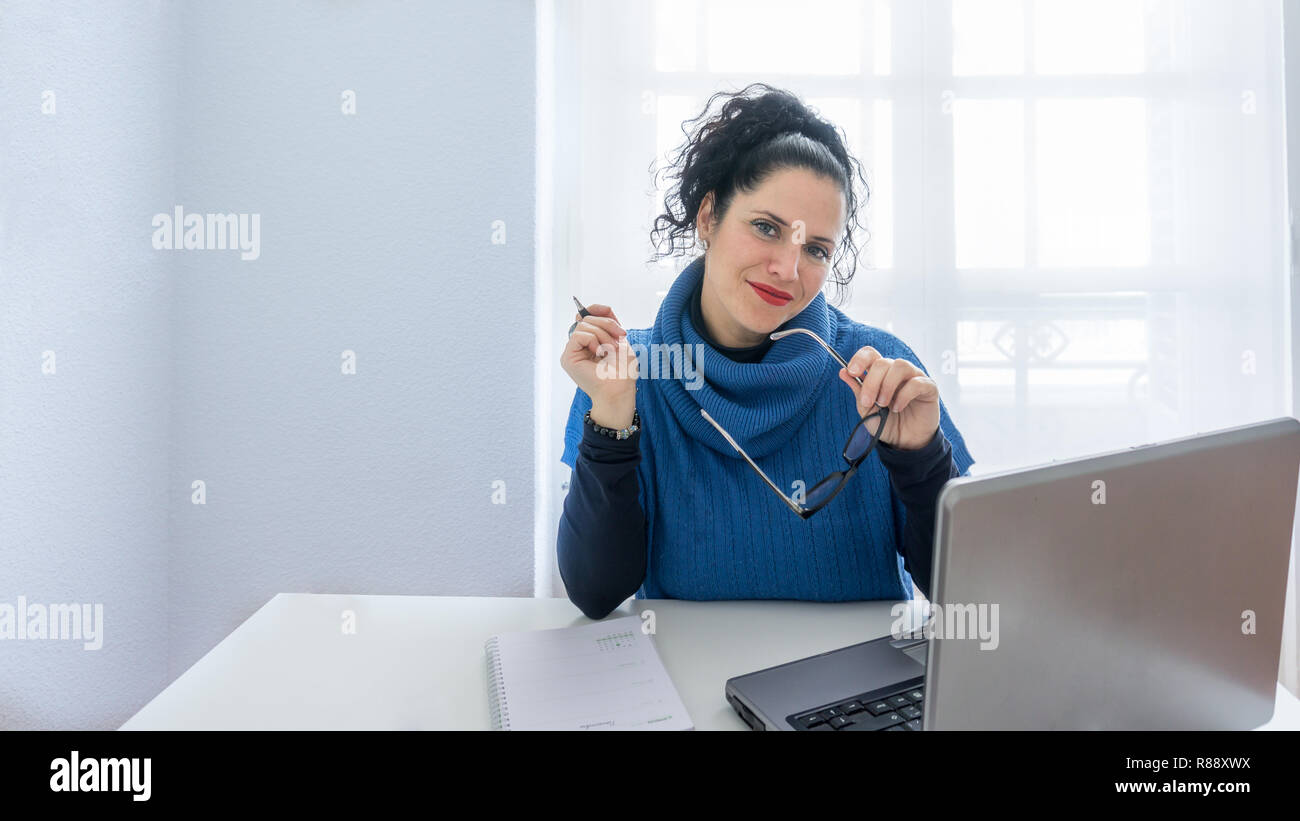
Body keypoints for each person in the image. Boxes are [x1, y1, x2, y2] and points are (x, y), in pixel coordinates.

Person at [558, 83, 975, 621]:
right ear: (708, 216)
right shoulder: (628, 373)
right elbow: (595, 593)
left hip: (851, 691)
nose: (787, 269)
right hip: (686, 684)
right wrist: (613, 419)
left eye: (816, 250)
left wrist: (919, 459)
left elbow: (964, 597)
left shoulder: (881, 371)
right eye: (765, 228)